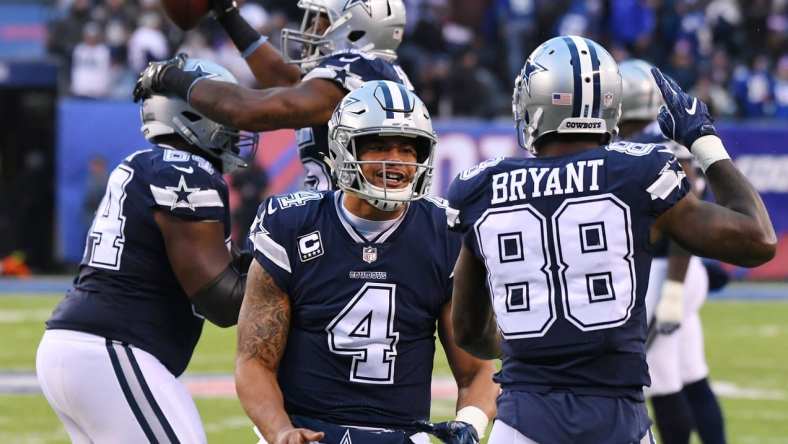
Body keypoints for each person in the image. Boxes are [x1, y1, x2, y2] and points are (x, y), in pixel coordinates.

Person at [446, 36, 775, 443]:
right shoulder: (638, 174)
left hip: (524, 418)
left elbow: (467, 332)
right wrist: (704, 141)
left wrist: (532, 348)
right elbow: (759, 239)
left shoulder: (480, 187)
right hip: (619, 420)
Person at [236, 81, 498, 444]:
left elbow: (475, 371)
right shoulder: (291, 225)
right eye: (378, 146)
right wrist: (281, 431)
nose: (395, 161)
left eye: (408, 149)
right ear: (343, 149)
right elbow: (254, 362)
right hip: (307, 429)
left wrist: (469, 422)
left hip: (402, 435)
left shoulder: (444, 231)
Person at [36, 59, 257, 444]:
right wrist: (289, 270)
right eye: (222, 108)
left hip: (86, 345)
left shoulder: (146, 164)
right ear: (193, 114)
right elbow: (221, 301)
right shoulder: (185, 172)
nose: (233, 122)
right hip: (113, 348)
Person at [134, 0, 412, 191]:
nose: (311, 27)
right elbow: (287, 82)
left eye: (321, 19)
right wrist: (228, 15)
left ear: (356, 29)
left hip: (359, 231)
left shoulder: (358, 70)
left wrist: (171, 77)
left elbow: (249, 110)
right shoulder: (371, 73)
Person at [619, 59, 727, 444]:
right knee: (692, 377)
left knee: (662, 387)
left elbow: (682, 215)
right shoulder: (656, 139)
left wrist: (674, 291)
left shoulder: (652, 145)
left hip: (669, 272)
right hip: (678, 269)